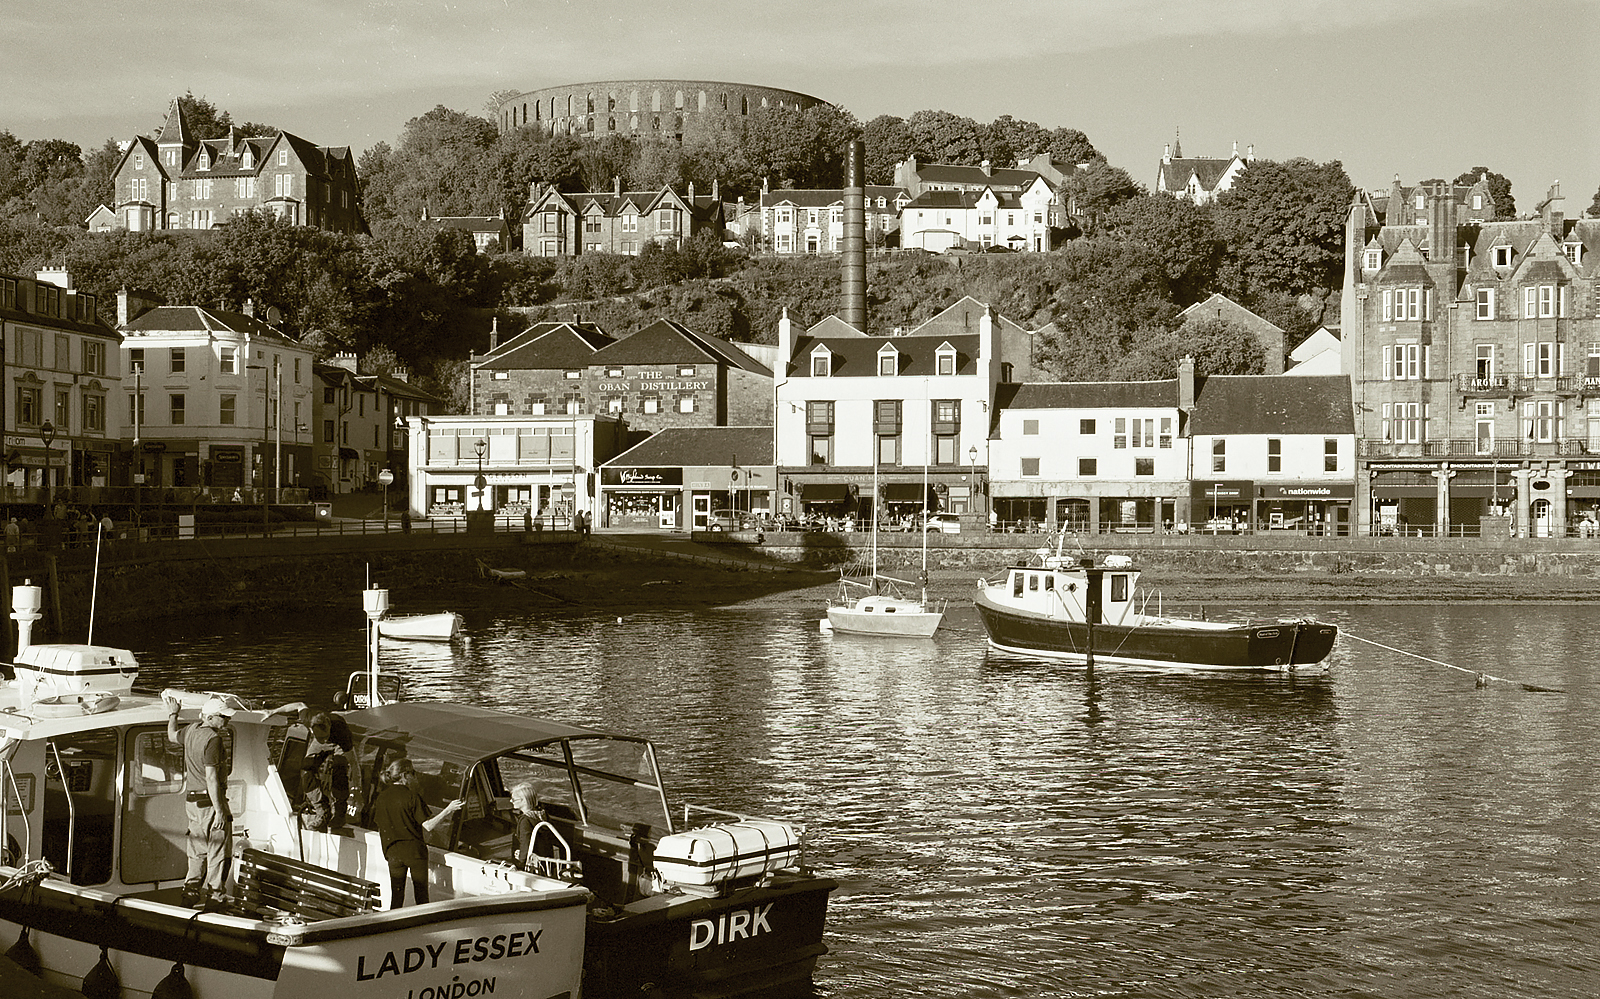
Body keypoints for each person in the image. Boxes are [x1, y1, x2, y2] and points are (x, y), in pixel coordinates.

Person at [165, 694, 236, 901]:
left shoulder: (190, 730)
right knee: (218, 850)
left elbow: (171, 735)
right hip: (210, 803)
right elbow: (211, 778)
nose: (227, 721)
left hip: (192, 802)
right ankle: (215, 897)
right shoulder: (213, 740)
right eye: (224, 717)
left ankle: (190, 892)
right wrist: (221, 810)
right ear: (211, 717)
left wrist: (172, 714)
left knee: (197, 849)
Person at [371, 758, 462, 908]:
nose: (415, 777)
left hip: (392, 852)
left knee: (397, 896)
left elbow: (380, 823)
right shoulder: (411, 796)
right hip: (414, 852)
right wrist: (448, 810)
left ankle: (395, 926)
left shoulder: (382, 797)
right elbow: (427, 826)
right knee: (421, 897)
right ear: (405, 775)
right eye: (413, 773)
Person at [298, 712, 350, 830]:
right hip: (318, 740)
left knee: (340, 767)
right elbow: (298, 705)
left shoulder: (343, 734)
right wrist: (272, 711)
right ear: (311, 729)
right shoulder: (308, 718)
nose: (325, 740)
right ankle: (322, 811)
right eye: (322, 738)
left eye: (326, 737)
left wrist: (357, 786)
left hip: (338, 742)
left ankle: (340, 812)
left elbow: (353, 761)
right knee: (306, 767)